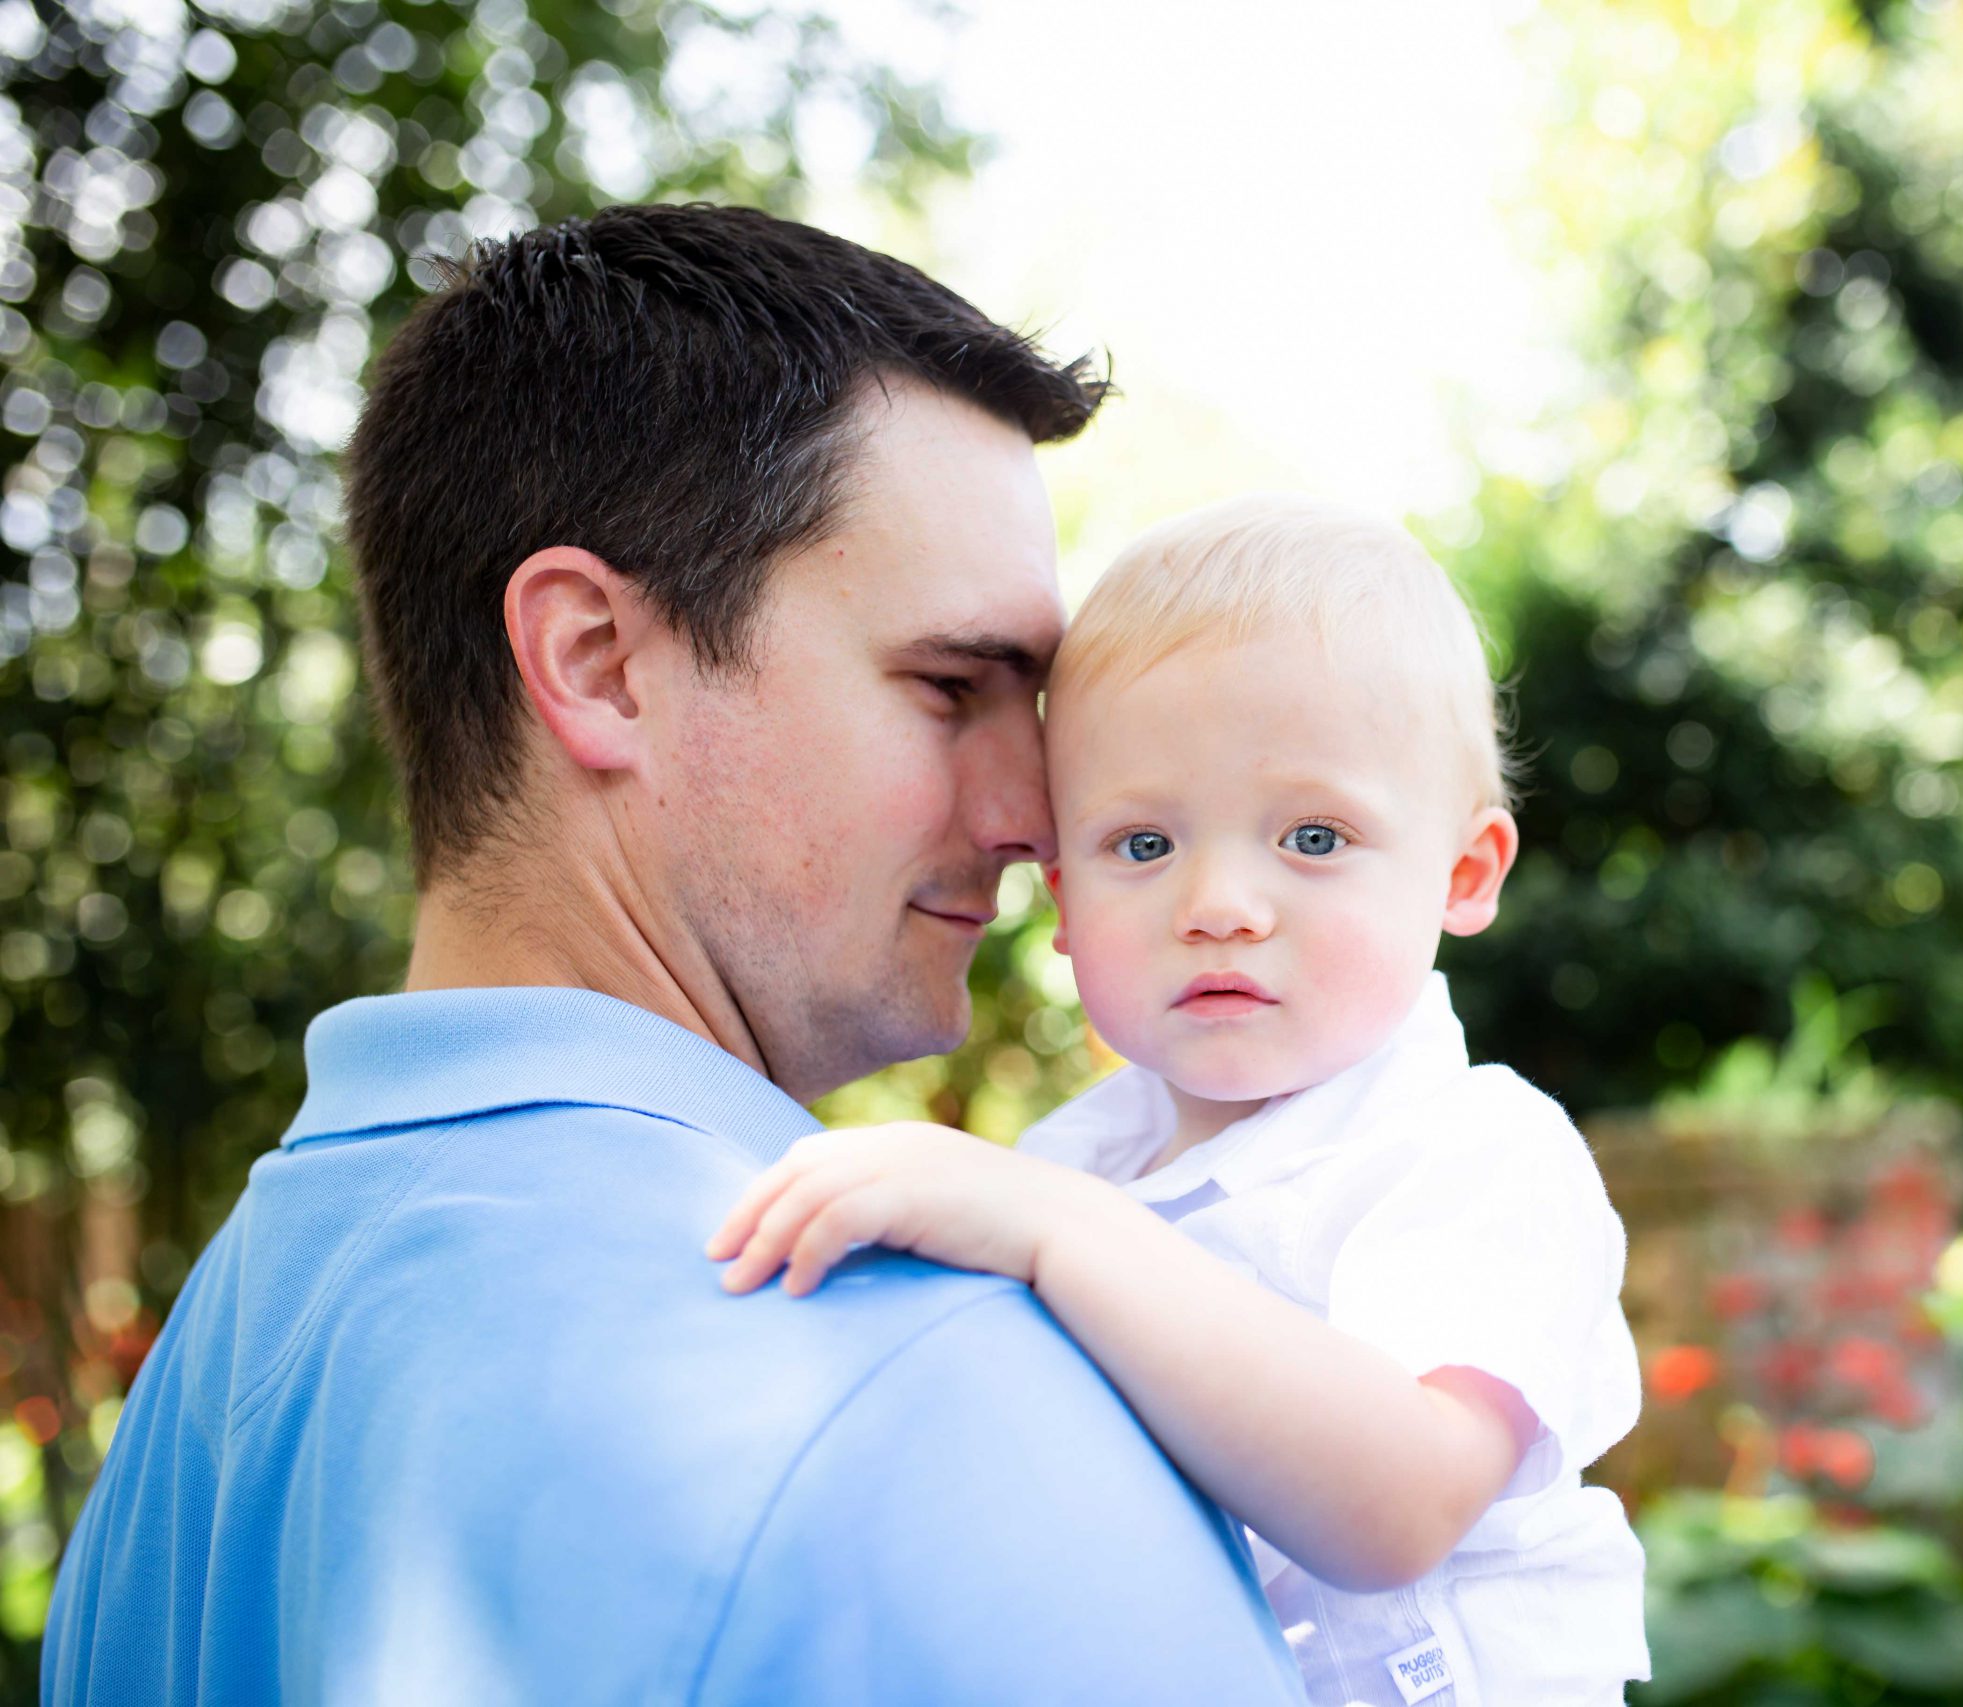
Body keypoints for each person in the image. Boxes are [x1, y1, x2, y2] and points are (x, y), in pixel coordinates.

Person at [42, 205, 1307, 1705]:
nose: (1038, 811)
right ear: (595, 662)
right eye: (950, 684)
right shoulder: (918, 1387)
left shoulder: (209, 1384)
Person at [711, 495, 1652, 1705]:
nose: (1218, 902)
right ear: (1059, 893)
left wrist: (1063, 1238)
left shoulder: (1473, 1153)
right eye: (1142, 846)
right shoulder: (1069, 1167)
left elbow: (1399, 1507)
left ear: (1463, 874)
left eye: (1312, 836)